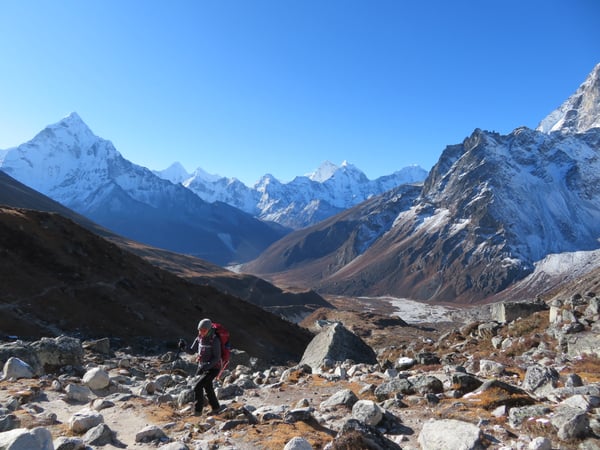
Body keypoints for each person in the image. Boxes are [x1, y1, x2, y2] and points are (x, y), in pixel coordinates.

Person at [179, 318, 222, 415]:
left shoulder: (215, 340)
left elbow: (217, 357)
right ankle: (216, 408)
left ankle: (197, 411)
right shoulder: (199, 337)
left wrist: (206, 366)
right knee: (208, 387)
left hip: (213, 368)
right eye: (200, 330)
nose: (201, 332)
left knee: (197, 387)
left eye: (203, 330)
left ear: (209, 329)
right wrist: (183, 347)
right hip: (202, 367)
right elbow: (192, 351)